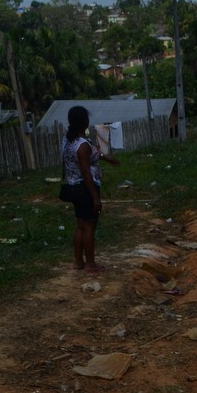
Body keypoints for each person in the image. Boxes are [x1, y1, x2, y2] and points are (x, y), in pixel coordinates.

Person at [63, 105, 119, 272]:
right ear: (84, 122)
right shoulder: (82, 145)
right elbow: (86, 172)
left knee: (81, 225)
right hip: (85, 189)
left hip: (74, 187)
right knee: (89, 227)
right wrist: (95, 197)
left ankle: (79, 262)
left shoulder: (70, 141)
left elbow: (92, 155)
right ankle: (90, 264)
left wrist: (106, 158)